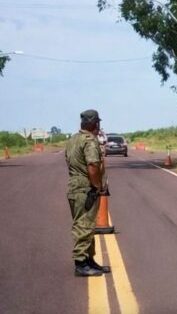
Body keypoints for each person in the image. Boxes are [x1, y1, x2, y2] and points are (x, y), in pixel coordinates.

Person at [65, 109, 111, 277]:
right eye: (98, 123)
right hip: (86, 188)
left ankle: (89, 260)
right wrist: (97, 186)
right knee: (84, 225)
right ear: (94, 124)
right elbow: (92, 166)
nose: (99, 126)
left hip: (75, 186)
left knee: (88, 225)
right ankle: (81, 263)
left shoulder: (73, 139)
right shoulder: (89, 141)